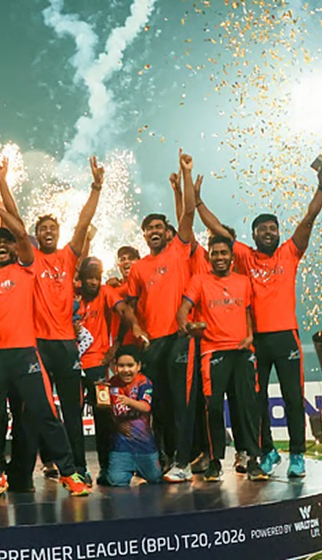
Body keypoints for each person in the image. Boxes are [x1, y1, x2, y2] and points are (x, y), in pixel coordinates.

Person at [0, 191, 89, 500]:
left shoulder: (27, 269)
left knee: (45, 414)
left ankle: (69, 471)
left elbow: (22, 233)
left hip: (25, 355)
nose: (3, 245)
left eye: (7, 242)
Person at [195, 162, 322, 478]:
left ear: (279, 232)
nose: (268, 232)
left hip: (286, 337)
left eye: (273, 228)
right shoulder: (244, 257)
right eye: (262, 229)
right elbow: (216, 229)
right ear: (254, 235)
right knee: (256, 401)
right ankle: (268, 451)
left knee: (293, 398)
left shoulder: (290, 252)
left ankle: (297, 454)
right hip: (255, 340)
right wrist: (198, 200)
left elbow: (309, 218)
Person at [21, 156, 102, 482]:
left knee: (71, 410)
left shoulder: (68, 258)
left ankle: (79, 467)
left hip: (66, 344)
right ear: (36, 235)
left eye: (52, 228)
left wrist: (96, 187)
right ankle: (44, 465)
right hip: (38, 345)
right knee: (39, 409)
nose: (48, 232)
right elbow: (14, 225)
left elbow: (83, 223)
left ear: (58, 233)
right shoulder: (30, 259)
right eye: (43, 229)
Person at [125, 150, 197, 479]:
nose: (154, 231)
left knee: (181, 404)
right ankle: (163, 459)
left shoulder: (179, 250)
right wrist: (138, 329)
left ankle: (183, 463)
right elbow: (129, 305)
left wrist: (186, 175)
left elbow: (188, 213)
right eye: (148, 228)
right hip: (152, 344)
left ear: (165, 231)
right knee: (159, 406)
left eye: (158, 226)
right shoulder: (138, 268)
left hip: (179, 338)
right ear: (143, 235)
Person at [176, 236, 269, 481]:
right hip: (213, 352)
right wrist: (185, 324)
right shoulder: (199, 280)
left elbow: (248, 312)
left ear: (231, 256)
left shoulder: (243, 281)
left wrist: (250, 336)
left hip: (242, 351)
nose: (219, 257)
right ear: (209, 256)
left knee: (248, 406)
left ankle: (253, 460)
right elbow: (183, 308)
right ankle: (215, 461)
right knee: (214, 407)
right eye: (215, 253)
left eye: (223, 253)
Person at [75, 256, 138, 481]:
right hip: (72, 366)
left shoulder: (105, 292)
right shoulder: (72, 295)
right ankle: (78, 469)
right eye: (89, 277)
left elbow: (125, 312)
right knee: (73, 418)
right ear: (81, 278)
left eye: (97, 277)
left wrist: (116, 345)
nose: (94, 282)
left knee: (103, 417)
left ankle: (107, 467)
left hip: (97, 366)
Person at [105, 345, 161, 486]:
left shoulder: (144, 382)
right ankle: (133, 479)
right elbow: (108, 411)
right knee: (115, 479)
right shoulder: (111, 384)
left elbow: (146, 407)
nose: (126, 370)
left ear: (138, 366)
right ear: (115, 366)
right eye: (121, 366)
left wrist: (129, 401)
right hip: (121, 446)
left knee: (155, 477)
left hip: (144, 445)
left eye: (130, 365)